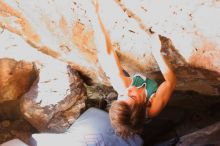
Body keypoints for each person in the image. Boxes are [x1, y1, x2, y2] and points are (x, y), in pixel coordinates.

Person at [91, 0, 176, 139]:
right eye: (131, 96)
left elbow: (107, 53)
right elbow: (171, 82)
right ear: (143, 104)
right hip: (142, 107)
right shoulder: (153, 107)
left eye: (121, 97)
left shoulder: (123, 87)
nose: (127, 91)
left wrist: (95, 15)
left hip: (126, 81)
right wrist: (158, 54)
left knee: (109, 65)